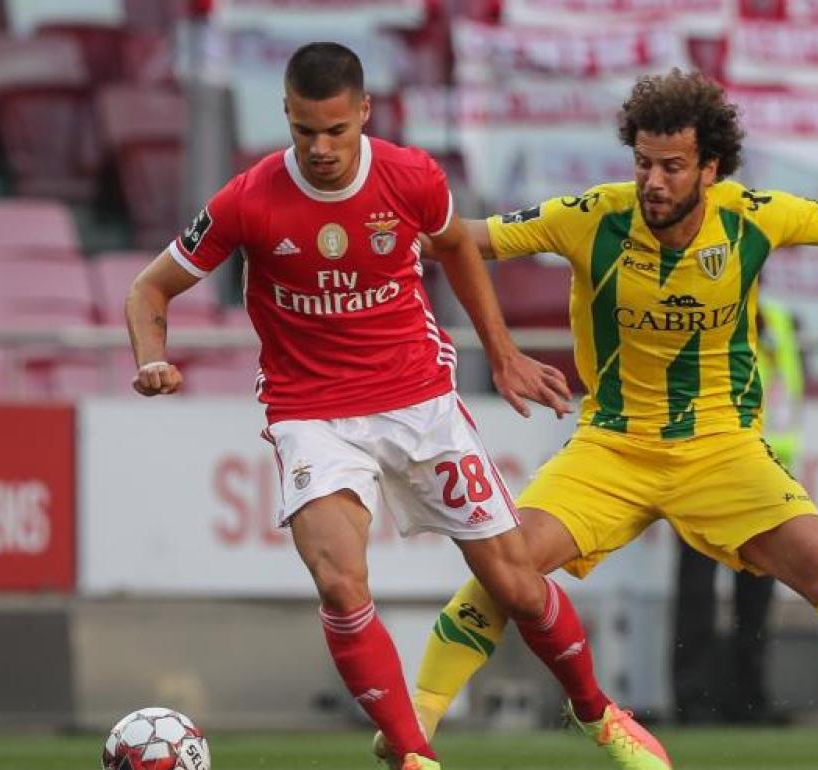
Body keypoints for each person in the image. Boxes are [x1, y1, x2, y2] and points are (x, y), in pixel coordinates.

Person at [383, 69, 818, 770]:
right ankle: (413, 733)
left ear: (711, 168)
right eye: (643, 164)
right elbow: (464, 237)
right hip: (611, 448)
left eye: (672, 166)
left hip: (723, 450)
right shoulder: (592, 217)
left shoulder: (753, 215)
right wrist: (373, 232)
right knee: (507, 571)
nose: (653, 182)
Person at [123, 43, 671, 770]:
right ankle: (413, 756)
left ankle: (598, 713)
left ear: (364, 114)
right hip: (311, 413)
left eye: (336, 131)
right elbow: (148, 290)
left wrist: (501, 353)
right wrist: (151, 359)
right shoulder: (248, 199)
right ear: (286, 115)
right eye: (305, 132)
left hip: (419, 402)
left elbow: (456, 249)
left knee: (514, 580)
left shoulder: (411, 176)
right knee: (341, 580)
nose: (321, 148)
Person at [671, 298, 801, 725]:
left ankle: (750, 700)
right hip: (705, 467)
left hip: (764, 476)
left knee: (756, 592)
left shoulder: (779, 319)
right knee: (697, 591)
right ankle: (692, 701)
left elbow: (787, 392)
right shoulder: (706, 306)